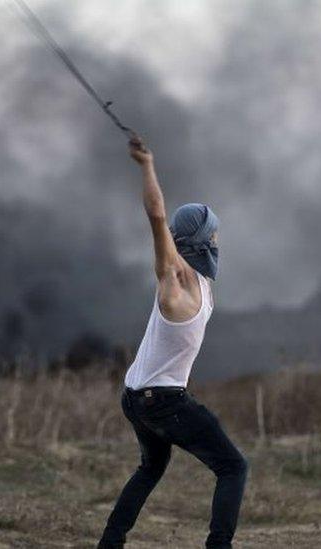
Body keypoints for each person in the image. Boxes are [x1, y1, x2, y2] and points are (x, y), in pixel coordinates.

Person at [98, 137, 248, 549]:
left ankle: (109, 544)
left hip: (134, 397)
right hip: (160, 401)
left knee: (150, 469)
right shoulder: (174, 285)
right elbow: (157, 216)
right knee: (234, 467)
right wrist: (146, 164)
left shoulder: (200, 282)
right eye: (213, 235)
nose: (218, 240)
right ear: (202, 242)